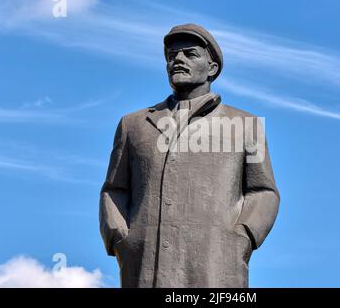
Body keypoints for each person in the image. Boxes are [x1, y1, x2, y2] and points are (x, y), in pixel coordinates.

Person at [99, 23, 280, 287]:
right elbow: (114, 189)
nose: (178, 60)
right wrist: (121, 238)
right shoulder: (133, 125)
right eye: (172, 56)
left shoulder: (245, 125)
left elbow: (264, 192)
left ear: (212, 69)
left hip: (215, 266)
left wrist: (241, 237)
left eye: (190, 54)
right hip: (144, 266)